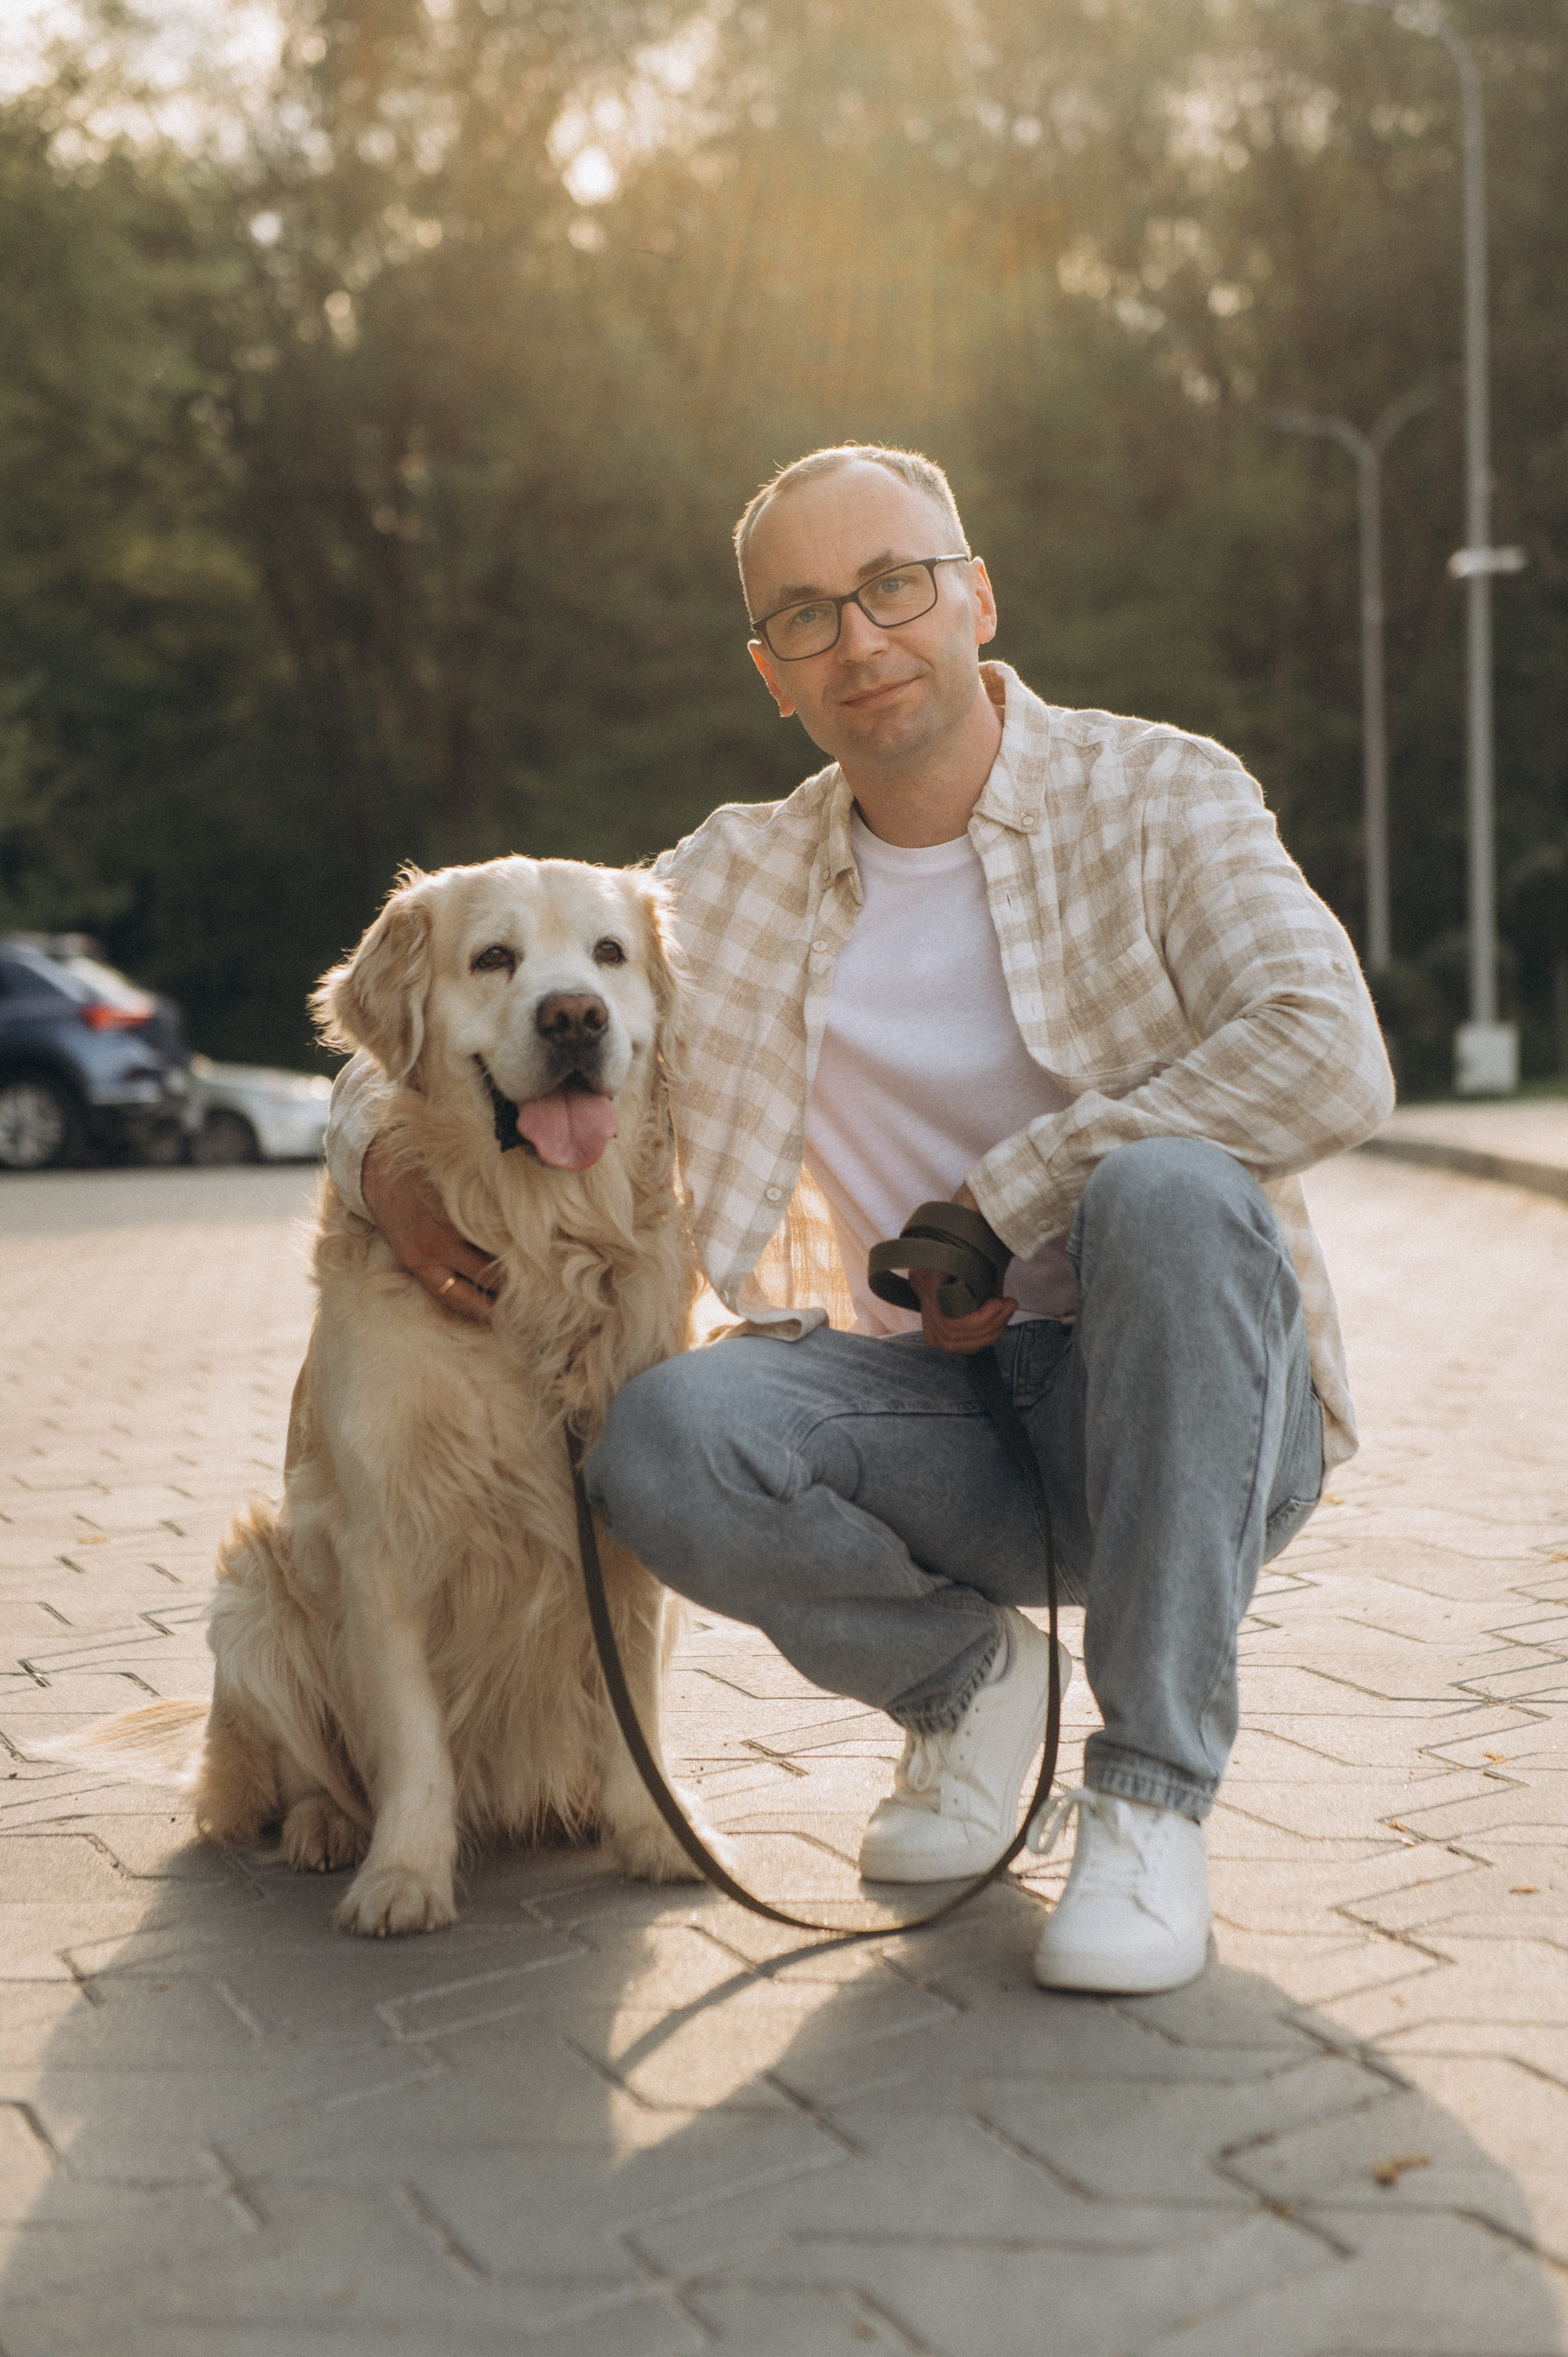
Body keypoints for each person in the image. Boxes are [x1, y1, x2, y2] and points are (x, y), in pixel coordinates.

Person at [325, 444, 1393, 1996]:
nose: (863, 638)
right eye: (808, 614)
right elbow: (477, 988)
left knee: (1165, 1190)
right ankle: (969, 1691)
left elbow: (1329, 1048)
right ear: (772, 672)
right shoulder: (731, 883)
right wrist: (381, 1163)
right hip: (935, 1429)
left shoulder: (1161, 789)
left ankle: (1151, 1800)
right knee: (667, 1432)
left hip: (1195, 1425)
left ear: (975, 594)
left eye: (894, 585)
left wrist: (1016, 1193)